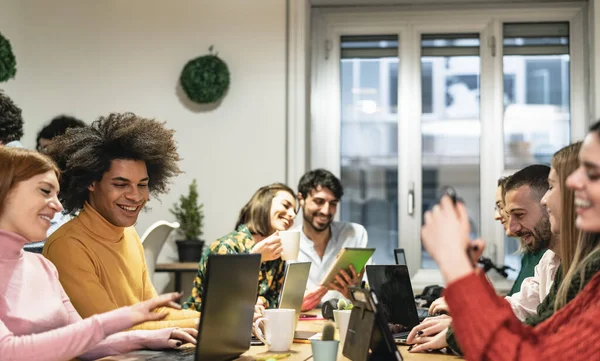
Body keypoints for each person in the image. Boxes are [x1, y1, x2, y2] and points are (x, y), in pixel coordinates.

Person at [418, 125, 600, 361]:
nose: (574, 184)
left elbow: (525, 354)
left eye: (593, 174)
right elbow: (534, 332)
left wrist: (458, 270)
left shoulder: (589, 268)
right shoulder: (570, 265)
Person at [0, 147, 197, 361]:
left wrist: (148, 338)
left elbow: (83, 342)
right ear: (5, 190)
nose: (58, 207)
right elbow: (8, 351)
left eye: (57, 194)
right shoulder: (65, 246)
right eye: (45, 191)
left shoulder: (43, 267)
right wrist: (112, 322)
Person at [42, 112, 200, 330]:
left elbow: (152, 311)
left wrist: (216, 319)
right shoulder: (67, 246)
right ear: (91, 183)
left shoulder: (128, 234)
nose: (135, 196)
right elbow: (113, 327)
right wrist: (202, 324)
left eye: (142, 185)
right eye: (121, 184)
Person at [183, 183, 297, 310]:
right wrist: (254, 259)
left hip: (253, 326)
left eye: (294, 211)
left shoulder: (277, 255)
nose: (293, 214)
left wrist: (261, 302)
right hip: (198, 325)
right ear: (265, 202)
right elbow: (222, 302)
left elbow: (274, 300)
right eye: (286, 206)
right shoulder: (225, 247)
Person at [295, 169, 369, 310]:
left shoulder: (354, 234)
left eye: (333, 203)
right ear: (301, 200)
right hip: (302, 322)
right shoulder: (286, 242)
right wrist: (296, 303)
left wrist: (355, 292)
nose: (326, 211)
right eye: (319, 201)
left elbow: (367, 295)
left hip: (342, 320)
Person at [503, 164, 553, 295]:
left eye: (519, 214)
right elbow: (521, 306)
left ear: (548, 205)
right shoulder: (548, 260)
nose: (512, 229)